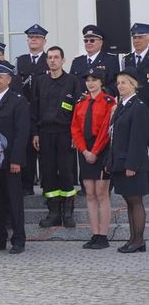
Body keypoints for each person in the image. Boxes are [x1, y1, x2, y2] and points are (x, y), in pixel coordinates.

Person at [32, 46, 80, 228]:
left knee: (66, 171)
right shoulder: (40, 82)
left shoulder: (72, 81)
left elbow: (78, 111)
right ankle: (53, 212)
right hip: (45, 133)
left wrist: (75, 134)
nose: (52, 60)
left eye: (56, 57)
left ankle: (68, 212)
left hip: (65, 133)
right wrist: (35, 133)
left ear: (63, 60)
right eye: (50, 57)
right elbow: (34, 110)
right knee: (48, 172)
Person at [0, 60, 29, 254]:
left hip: (11, 160)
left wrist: (16, 160)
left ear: (9, 79)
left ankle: (18, 239)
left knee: (14, 202)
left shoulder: (18, 101)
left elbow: (22, 133)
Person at [71, 68, 115, 249]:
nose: (90, 83)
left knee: (101, 193)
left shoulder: (109, 101)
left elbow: (106, 129)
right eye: (88, 80)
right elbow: (75, 128)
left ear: (101, 82)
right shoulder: (81, 102)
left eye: (94, 80)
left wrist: (95, 152)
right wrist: (84, 150)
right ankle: (95, 233)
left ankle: (103, 235)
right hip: (85, 149)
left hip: (102, 149)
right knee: (89, 192)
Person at [107, 67, 149, 253]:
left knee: (135, 201)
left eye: (124, 82)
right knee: (129, 201)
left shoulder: (138, 107)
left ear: (133, 85)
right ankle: (134, 239)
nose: (120, 86)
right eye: (118, 83)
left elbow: (138, 139)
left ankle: (138, 240)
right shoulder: (122, 105)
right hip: (121, 161)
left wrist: (132, 165)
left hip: (133, 164)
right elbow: (115, 136)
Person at [15, 24, 48, 195]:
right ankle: (27, 185)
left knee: (45, 150)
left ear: (44, 41)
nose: (33, 40)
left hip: (44, 110)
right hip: (25, 110)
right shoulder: (21, 60)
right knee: (27, 149)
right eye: (30, 38)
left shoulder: (49, 59)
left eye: (37, 37)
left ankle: (46, 184)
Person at [70, 24, 120, 95]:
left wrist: (99, 94)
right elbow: (71, 83)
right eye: (86, 41)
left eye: (92, 40)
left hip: (101, 100)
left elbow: (115, 84)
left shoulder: (110, 60)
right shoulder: (77, 61)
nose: (88, 43)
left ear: (101, 42)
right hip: (80, 100)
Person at [122, 23, 149, 106]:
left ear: (148, 38)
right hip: (132, 104)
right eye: (134, 38)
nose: (136, 41)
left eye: (140, 37)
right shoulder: (126, 60)